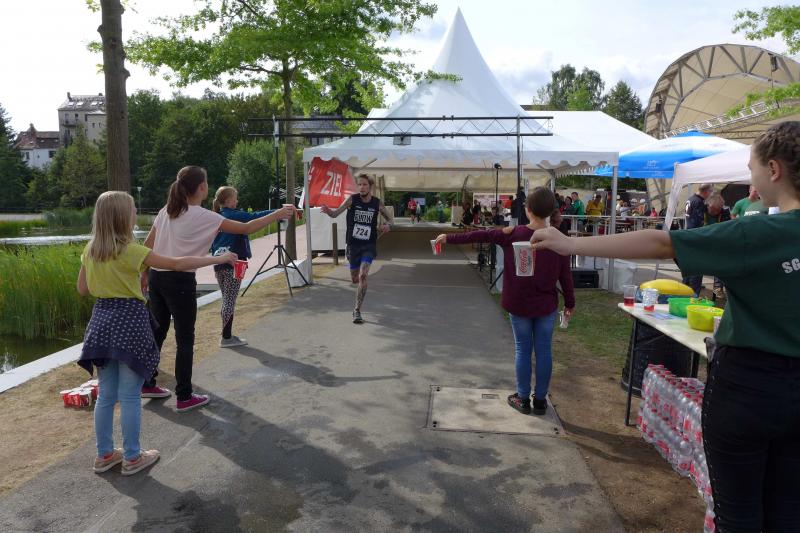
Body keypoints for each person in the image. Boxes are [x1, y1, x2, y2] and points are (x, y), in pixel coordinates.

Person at [531, 121, 800, 533]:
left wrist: (569, 244)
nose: (752, 180)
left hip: (749, 388)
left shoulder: (758, 231)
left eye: (753, 169)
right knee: (789, 513)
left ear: (775, 170)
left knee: (739, 516)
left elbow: (662, 243)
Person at [77, 191, 237, 476]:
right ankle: (132, 457)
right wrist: (218, 258)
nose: (135, 215)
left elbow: (82, 288)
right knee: (129, 395)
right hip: (129, 323)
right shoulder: (131, 251)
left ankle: (104, 454)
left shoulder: (90, 250)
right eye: (132, 211)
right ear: (123, 218)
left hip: (101, 324)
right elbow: (177, 264)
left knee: (106, 395)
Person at [141, 166, 295, 411]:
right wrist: (277, 214)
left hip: (157, 277)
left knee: (157, 333)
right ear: (202, 187)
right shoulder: (203, 216)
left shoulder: (166, 211)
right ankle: (184, 396)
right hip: (180, 281)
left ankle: (147, 383)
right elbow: (246, 228)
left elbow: (148, 246)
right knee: (185, 338)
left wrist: (144, 273)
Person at [434, 187, 575, 416]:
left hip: (518, 304)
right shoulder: (560, 240)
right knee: (544, 351)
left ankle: (523, 398)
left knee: (523, 349)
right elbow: (565, 276)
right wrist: (570, 302)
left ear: (528, 210)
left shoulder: (512, 233)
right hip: (546, 305)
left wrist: (449, 237)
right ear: (552, 210)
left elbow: (481, 235)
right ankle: (540, 400)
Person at [321, 174, 393, 324]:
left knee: (363, 276)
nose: (361, 187)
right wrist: (328, 211)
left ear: (370, 187)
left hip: (369, 245)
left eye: (364, 184)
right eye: (359, 184)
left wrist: (388, 226)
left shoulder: (377, 203)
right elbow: (335, 214)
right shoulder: (352, 200)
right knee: (355, 278)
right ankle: (358, 286)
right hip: (353, 245)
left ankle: (357, 310)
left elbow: (390, 219)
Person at [210, 186, 277, 348]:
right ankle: (226, 338)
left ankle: (226, 335)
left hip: (218, 262)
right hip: (236, 262)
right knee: (229, 300)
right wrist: (277, 213)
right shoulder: (234, 215)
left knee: (226, 298)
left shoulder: (216, 217)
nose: (237, 200)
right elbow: (254, 217)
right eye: (235, 198)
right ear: (228, 201)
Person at [682, 183, 713, 295]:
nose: (710, 194)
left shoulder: (690, 199)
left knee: (688, 265)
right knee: (697, 267)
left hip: (688, 234)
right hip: (695, 235)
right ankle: (694, 293)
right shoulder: (699, 202)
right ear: (706, 191)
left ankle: (684, 289)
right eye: (710, 191)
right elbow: (699, 221)